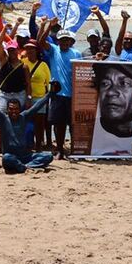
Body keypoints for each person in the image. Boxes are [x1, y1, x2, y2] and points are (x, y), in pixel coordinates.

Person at [0, 77, 55, 174]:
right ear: (7, 110)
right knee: (6, 158)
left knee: (48, 156)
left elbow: (37, 105)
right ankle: (26, 166)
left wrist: (50, 93)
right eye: (11, 109)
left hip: (26, 156)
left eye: (16, 109)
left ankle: (25, 166)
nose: (14, 111)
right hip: (11, 156)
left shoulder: (24, 116)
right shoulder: (3, 118)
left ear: (19, 109)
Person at [38, 19, 83, 160]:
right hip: (57, 94)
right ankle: (59, 149)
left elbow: (83, 71)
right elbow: (40, 41)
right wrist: (48, 26)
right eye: (62, 40)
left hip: (72, 95)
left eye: (67, 40)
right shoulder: (53, 50)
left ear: (70, 41)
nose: (64, 42)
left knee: (73, 124)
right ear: (58, 41)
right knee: (59, 124)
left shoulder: (77, 54)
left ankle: (75, 150)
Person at [21, 38, 51, 150]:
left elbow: (48, 83)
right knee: (26, 123)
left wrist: (48, 100)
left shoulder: (43, 65)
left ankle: (38, 146)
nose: (30, 51)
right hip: (25, 97)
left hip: (40, 98)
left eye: (32, 49)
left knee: (39, 124)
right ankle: (27, 145)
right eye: (27, 48)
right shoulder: (22, 62)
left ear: (37, 50)